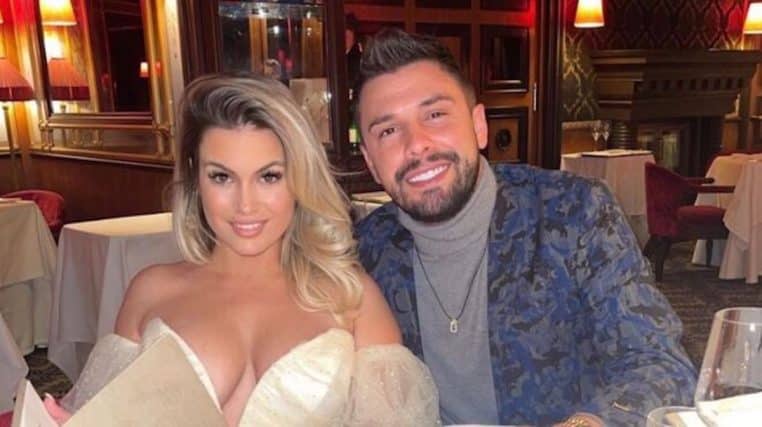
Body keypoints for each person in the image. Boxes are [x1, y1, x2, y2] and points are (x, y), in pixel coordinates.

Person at [43, 73, 439, 426]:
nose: (245, 205)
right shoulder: (150, 291)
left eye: (269, 176)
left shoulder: (353, 299)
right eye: (222, 177)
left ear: (299, 178)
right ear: (196, 180)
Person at [353, 28, 697, 427]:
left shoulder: (573, 212)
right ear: (371, 161)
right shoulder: (366, 251)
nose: (416, 144)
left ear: (479, 125)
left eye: (435, 115)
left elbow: (659, 362)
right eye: (388, 131)